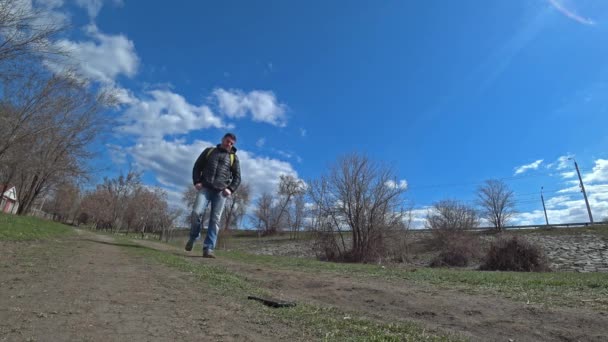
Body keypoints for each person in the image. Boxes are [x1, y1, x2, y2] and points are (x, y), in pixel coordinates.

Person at [186, 133, 241, 258]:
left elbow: (237, 178)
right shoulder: (209, 151)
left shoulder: (234, 158)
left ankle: (208, 248)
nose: (229, 144)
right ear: (222, 139)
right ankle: (194, 237)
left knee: (215, 220)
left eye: (232, 143)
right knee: (196, 212)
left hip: (221, 192)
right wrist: (197, 181)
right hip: (205, 188)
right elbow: (197, 167)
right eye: (228, 141)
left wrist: (230, 189)